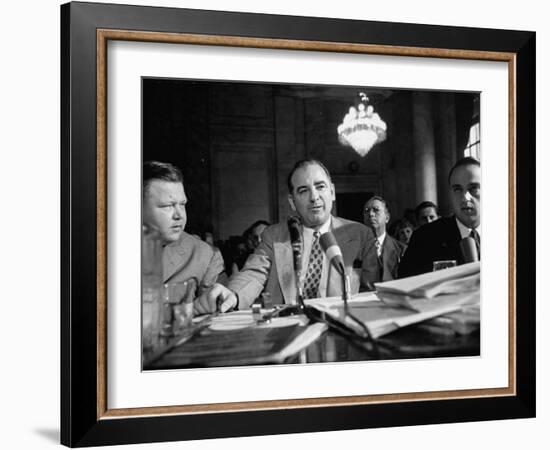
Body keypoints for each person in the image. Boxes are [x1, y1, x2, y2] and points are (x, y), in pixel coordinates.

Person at [195, 159, 376, 314]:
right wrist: (233, 294)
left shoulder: (361, 234)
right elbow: (254, 273)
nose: (314, 197)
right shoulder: (274, 236)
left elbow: (375, 292)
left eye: (320, 187)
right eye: (303, 190)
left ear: (332, 192)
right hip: (287, 329)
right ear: (292, 202)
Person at [143, 161, 225, 300]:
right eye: (167, 206)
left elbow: (217, 314)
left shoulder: (205, 255)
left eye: (182, 204)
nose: (179, 215)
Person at [399, 157, 481, 277]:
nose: (465, 198)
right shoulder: (424, 238)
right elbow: (404, 286)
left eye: (473, 188)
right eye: (457, 189)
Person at [363, 196, 407, 285]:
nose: (371, 214)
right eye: (367, 211)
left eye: (376, 210)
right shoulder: (356, 250)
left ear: (387, 218)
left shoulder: (402, 250)